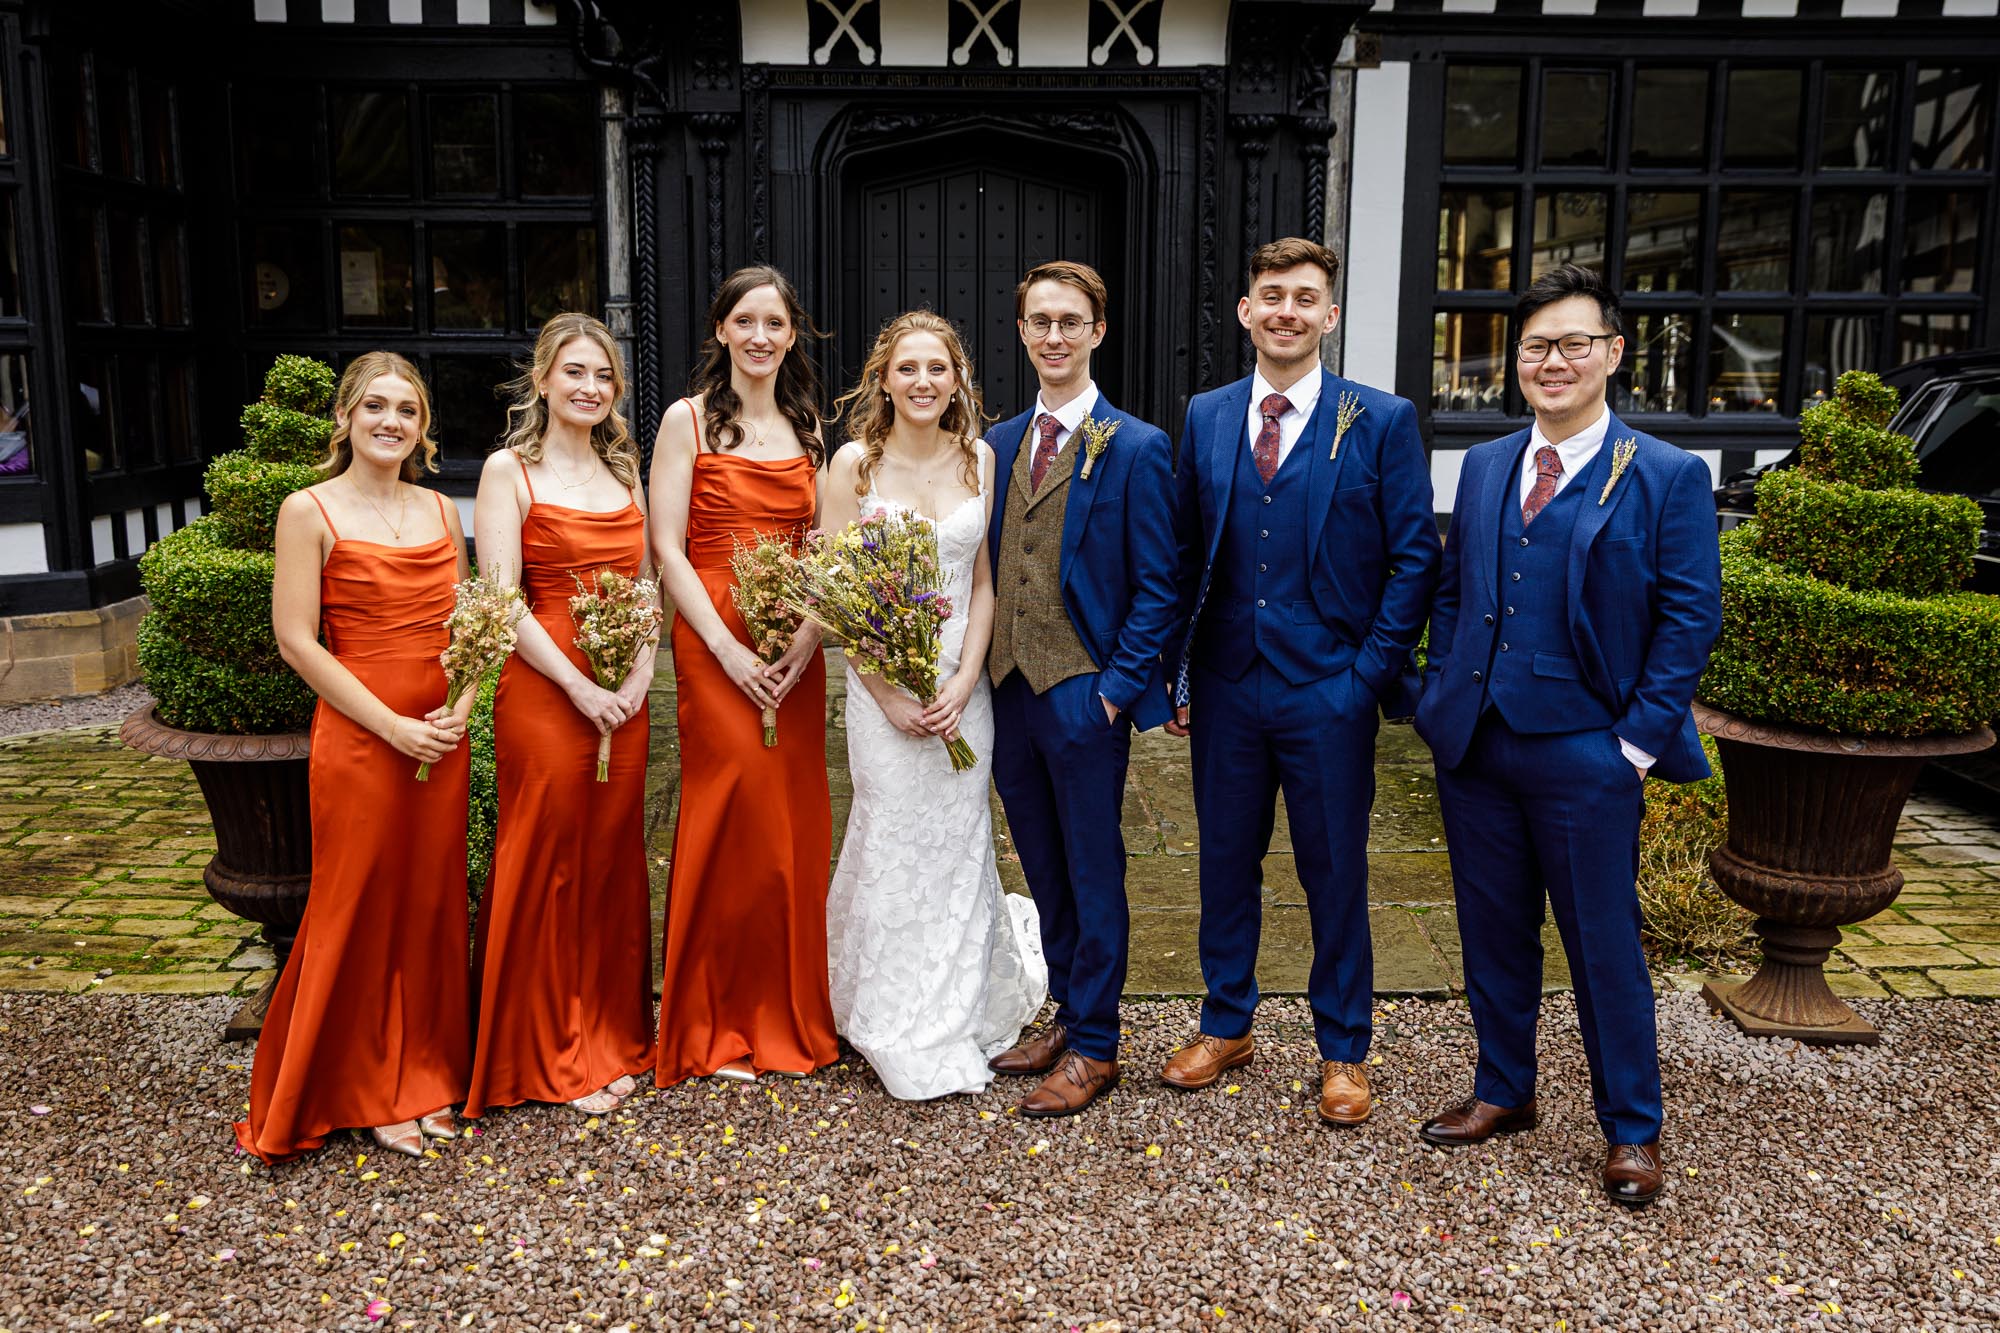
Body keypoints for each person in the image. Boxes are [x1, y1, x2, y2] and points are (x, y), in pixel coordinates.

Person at [1413, 262, 1720, 1207]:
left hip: (1589, 754)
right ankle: (1504, 1089)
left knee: (1602, 944)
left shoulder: (1665, 476)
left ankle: (1632, 1127)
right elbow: (1460, 588)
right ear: (1516, 361)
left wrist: (1631, 745)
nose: (1553, 361)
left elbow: (1689, 618)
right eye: (1537, 345)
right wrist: (1437, 694)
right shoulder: (1487, 463)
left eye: (1573, 343)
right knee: (1492, 932)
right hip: (1478, 745)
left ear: (1613, 354)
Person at [1167, 237, 1440, 1125]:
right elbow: (1181, 554)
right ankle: (1226, 1021)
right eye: (1271, 294)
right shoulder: (1206, 414)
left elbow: (1413, 560)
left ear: (1329, 315)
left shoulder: (1382, 418)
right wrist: (1178, 672)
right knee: (1222, 862)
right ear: (1247, 311)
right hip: (1225, 682)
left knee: (1335, 870)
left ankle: (1345, 1048)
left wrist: (1365, 678)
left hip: (1330, 689)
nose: (1286, 310)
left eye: (1305, 297)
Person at [238, 352, 471, 1162]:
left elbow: (469, 630)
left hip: (442, 735)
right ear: (344, 418)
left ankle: (426, 1069)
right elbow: (297, 640)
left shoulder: (443, 513)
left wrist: (461, 711)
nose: (390, 422)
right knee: (361, 905)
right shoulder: (307, 510)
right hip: (363, 735)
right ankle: (365, 1085)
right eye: (374, 406)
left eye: (406, 410)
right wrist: (394, 728)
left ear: (423, 428)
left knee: (430, 905)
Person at [820, 311, 1048, 1101]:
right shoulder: (852, 465)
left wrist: (961, 681)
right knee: (890, 837)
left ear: (958, 381)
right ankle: (884, 1008)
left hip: (959, 689)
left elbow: (982, 581)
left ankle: (952, 1003)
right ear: (884, 377)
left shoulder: (979, 458)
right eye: (908, 368)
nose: (923, 382)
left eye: (938, 369)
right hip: (881, 696)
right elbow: (841, 596)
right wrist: (888, 695)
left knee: (958, 843)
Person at [980, 260, 1179, 1118]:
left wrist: (1118, 689)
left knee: (1095, 866)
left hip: (1082, 689)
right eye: (1039, 322)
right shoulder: (993, 445)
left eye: (1070, 321)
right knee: (1041, 861)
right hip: (1007, 690)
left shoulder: (1135, 446)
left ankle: (1098, 1043)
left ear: (1098, 331)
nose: (1053, 336)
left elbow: (1160, 583)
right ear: (1021, 332)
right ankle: (1066, 1009)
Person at [464, 313, 657, 1120]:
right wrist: (580, 688)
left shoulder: (624, 470)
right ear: (542, 379)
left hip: (625, 693)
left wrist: (641, 676)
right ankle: (548, 1050)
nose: (589, 387)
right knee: (547, 860)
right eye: (573, 372)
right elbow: (501, 600)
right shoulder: (508, 471)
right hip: (547, 693)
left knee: (611, 859)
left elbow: (645, 586)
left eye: (602, 376)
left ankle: (609, 1032)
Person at [652, 265, 836, 1086]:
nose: (760, 336)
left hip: (793, 646)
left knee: (787, 826)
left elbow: (826, 555)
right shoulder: (687, 422)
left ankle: (784, 1011)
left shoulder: (811, 431)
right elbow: (667, 547)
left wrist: (803, 641)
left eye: (775, 323)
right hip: (712, 642)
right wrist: (726, 650)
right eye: (745, 321)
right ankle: (716, 1022)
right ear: (721, 330)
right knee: (729, 817)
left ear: (791, 336)